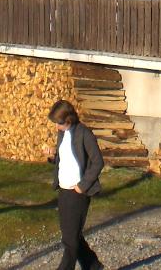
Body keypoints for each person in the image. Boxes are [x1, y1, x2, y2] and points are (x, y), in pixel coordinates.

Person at [44, 100, 105, 270]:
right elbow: (65, 160)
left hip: (78, 192)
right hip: (63, 190)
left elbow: (98, 162)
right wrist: (52, 156)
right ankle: (93, 266)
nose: (57, 127)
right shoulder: (62, 134)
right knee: (71, 236)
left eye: (60, 123)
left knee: (70, 242)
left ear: (69, 119)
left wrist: (82, 186)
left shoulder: (84, 134)